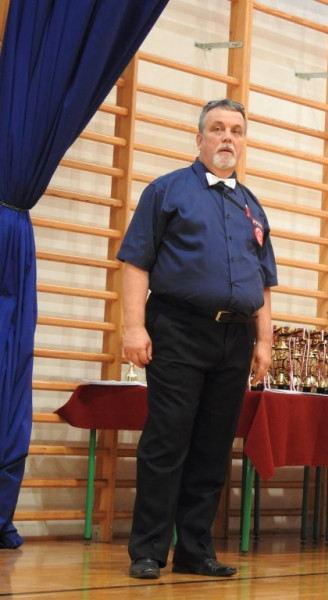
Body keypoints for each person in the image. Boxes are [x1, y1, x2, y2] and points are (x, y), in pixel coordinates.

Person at [118, 99, 278, 580]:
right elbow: (136, 262)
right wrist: (133, 327)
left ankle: (194, 549)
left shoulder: (253, 205)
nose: (228, 137)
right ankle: (149, 550)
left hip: (235, 337)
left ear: (244, 141)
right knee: (167, 440)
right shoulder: (166, 191)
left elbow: (263, 282)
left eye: (236, 131)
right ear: (200, 138)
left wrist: (264, 341)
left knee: (213, 446)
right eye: (218, 129)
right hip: (178, 329)